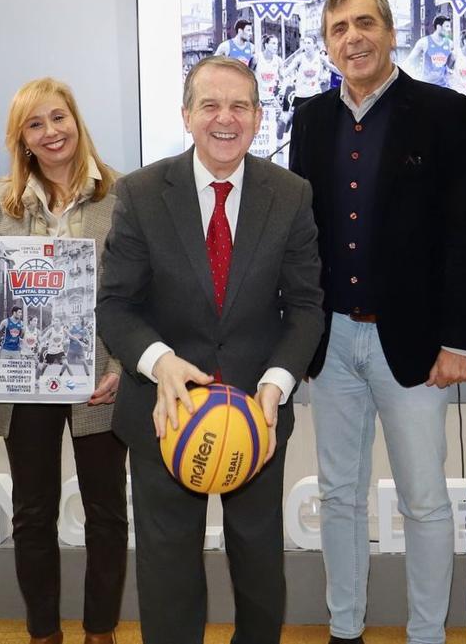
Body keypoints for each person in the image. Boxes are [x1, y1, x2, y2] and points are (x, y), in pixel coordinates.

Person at [97, 55, 324, 644]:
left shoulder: (290, 194)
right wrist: (159, 361)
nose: (226, 119)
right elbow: (116, 305)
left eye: (240, 107)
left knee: (258, 570)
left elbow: (304, 307)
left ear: (257, 117)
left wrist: (275, 386)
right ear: (187, 115)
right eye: (211, 105)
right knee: (167, 572)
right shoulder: (144, 193)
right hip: (163, 413)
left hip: (256, 415)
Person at [289, 0, 466, 644]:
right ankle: (346, 628)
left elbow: (465, 232)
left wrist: (460, 339)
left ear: (391, 32)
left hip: (417, 343)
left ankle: (426, 633)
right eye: (339, 27)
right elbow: (302, 236)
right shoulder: (311, 119)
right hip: (334, 341)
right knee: (339, 495)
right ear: (328, 43)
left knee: (424, 499)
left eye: (365, 22)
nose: (354, 37)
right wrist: (303, 339)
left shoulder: (443, 112)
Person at [0, 76, 128, 644]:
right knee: (33, 513)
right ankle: (43, 634)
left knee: (105, 513)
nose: (51, 132)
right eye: (35, 124)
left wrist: (123, 368)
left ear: (76, 121)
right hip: (27, 377)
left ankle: (99, 632)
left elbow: (138, 291)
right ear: (22, 139)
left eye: (59, 117)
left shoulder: (123, 195)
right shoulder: (3, 201)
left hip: (100, 376)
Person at [404, 14, 453, 86]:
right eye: (447, 26)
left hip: (443, 87)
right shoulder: (424, 42)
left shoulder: (450, 43)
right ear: (438, 27)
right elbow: (409, 61)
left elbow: (450, 66)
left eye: (450, 27)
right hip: (427, 86)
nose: (449, 29)